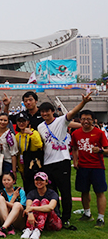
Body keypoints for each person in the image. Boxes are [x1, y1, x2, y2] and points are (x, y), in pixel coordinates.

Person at [37, 93, 91, 230]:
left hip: (62, 161)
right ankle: (55, 215)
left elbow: (72, 112)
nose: (44, 114)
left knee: (65, 191)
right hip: (47, 163)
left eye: (47, 111)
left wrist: (83, 102)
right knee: (52, 192)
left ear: (52, 111)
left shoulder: (61, 121)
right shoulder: (40, 127)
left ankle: (66, 218)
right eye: (42, 112)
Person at [71, 109, 107, 228]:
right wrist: (75, 161)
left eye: (88, 119)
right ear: (79, 120)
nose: (86, 121)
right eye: (83, 119)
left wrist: (100, 150)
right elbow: (74, 148)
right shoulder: (76, 133)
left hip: (97, 167)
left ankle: (101, 218)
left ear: (93, 120)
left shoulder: (99, 133)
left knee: (99, 192)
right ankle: (87, 214)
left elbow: (107, 149)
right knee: (84, 191)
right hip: (82, 167)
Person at [21, 172, 63, 239]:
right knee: (36, 201)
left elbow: (50, 207)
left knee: (44, 201)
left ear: (46, 182)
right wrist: (30, 213)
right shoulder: (31, 193)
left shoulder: (52, 193)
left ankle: (37, 230)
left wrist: (33, 208)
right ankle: (29, 229)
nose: (39, 182)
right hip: (37, 220)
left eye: (42, 180)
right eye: (37, 180)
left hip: (53, 222)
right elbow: (28, 207)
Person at [15, 113, 43, 194]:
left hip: (34, 164)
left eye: (23, 121)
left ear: (27, 122)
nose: (21, 123)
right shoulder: (17, 136)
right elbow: (18, 153)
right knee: (27, 187)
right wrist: (20, 169)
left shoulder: (34, 132)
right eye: (19, 121)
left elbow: (39, 145)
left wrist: (31, 134)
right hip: (24, 165)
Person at [0, 171, 26, 237]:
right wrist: (13, 198)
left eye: (9, 180)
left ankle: (4, 227)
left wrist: (5, 203)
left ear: (13, 181)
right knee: (0, 198)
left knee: (17, 204)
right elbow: (4, 210)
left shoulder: (20, 191)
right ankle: (8, 227)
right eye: (4, 180)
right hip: (4, 218)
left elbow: (21, 207)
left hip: (18, 219)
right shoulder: (0, 193)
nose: (6, 182)